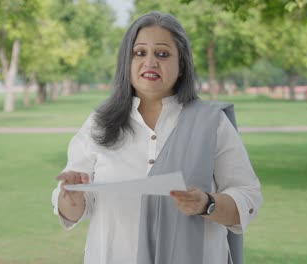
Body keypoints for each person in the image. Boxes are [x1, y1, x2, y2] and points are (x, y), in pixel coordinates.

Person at [51, 11, 262, 264]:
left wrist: (207, 204)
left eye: (162, 54)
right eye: (140, 53)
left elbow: (248, 197)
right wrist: (71, 197)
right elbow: (72, 211)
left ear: (182, 64)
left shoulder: (211, 122)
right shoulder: (98, 123)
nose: (150, 62)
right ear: (126, 62)